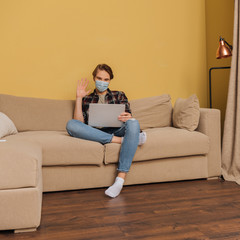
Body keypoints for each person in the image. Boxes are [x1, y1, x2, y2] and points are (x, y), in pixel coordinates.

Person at [66, 64, 146, 198]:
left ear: (110, 81)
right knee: (70, 125)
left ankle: (119, 180)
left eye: (106, 79)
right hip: (96, 132)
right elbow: (78, 123)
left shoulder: (119, 95)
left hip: (118, 129)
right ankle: (125, 141)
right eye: (99, 78)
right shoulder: (87, 98)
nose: (102, 82)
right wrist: (79, 98)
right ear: (94, 78)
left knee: (134, 122)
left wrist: (128, 117)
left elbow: (128, 117)